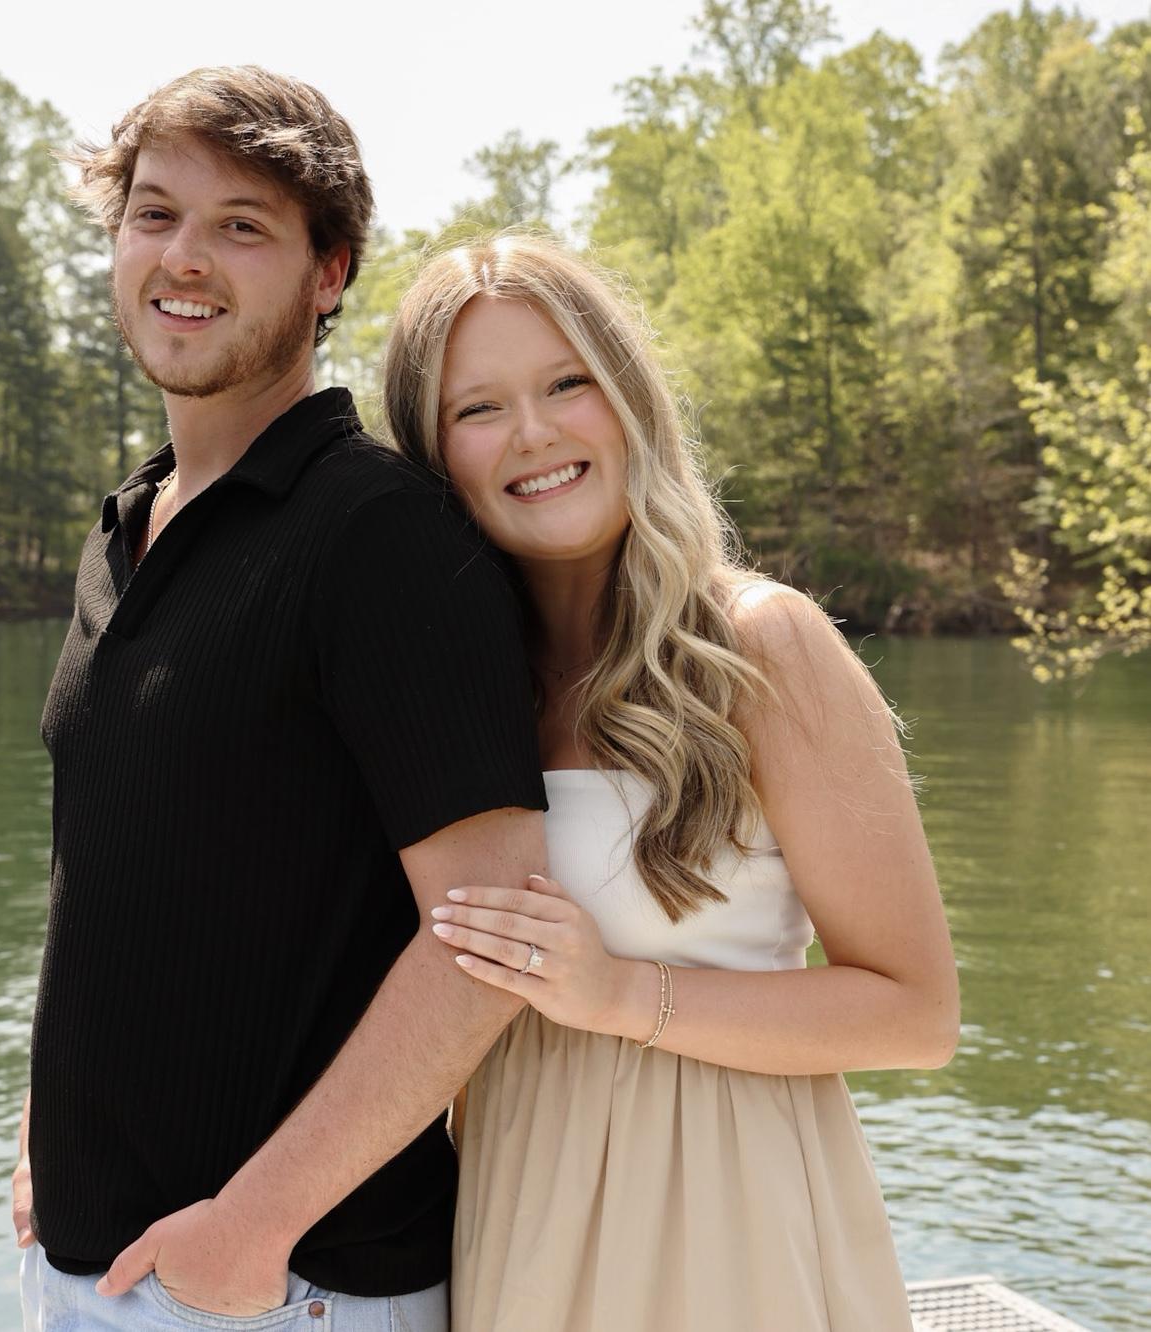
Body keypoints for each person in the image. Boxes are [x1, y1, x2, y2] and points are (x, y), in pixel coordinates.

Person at [13, 70, 549, 1331]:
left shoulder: (380, 534)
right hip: (92, 1271)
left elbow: (493, 938)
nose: (184, 257)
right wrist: (42, 1130)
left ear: (328, 273)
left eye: (242, 225)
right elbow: (112, 876)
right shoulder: (129, 527)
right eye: (154, 215)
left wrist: (254, 1227)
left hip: (284, 1290)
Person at [382, 234, 960, 1332]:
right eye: (479, 408)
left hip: (727, 1217)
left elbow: (917, 1015)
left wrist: (619, 995)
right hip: (513, 1204)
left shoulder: (762, 645)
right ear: (432, 454)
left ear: (630, 399)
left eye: (567, 384)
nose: (535, 433)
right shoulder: (454, 692)